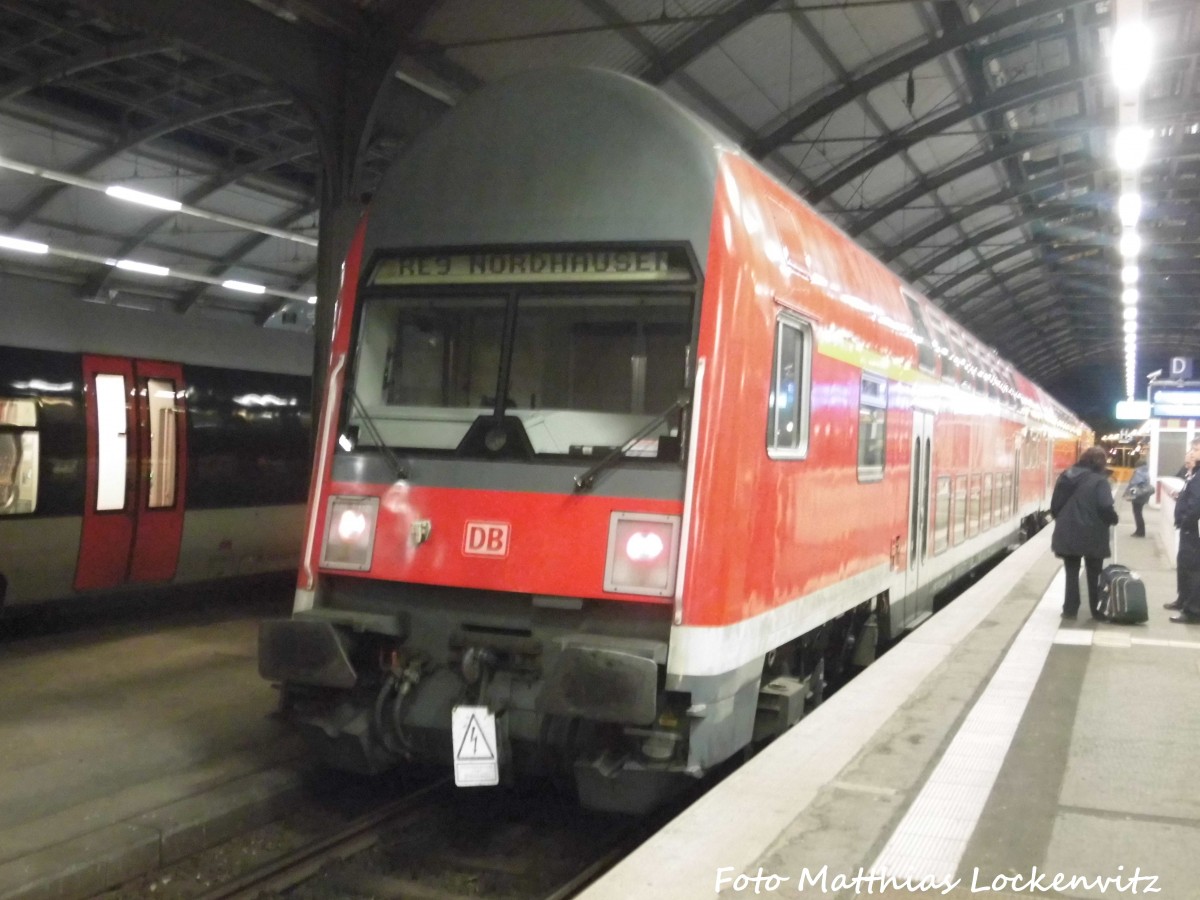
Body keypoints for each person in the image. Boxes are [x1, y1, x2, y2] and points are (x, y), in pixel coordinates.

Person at [1051, 446, 1119, 620]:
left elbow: (1055, 506)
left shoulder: (1066, 476)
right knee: (1094, 572)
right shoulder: (1100, 481)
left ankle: (1070, 609)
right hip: (1093, 533)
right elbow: (1105, 506)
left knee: (1071, 572)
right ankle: (1095, 610)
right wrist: (1113, 518)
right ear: (1101, 463)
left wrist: (1065, 520)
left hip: (1067, 531)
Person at [1168, 449, 1200, 623]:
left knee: (1193, 569)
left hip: (1193, 531)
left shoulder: (1197, 477)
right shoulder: (1193, 475)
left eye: (1196, 450)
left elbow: (1196, 505)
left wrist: (1186, 522)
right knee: (1185, 566)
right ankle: (1184, 601)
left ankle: (1192, 610)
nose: (1191, 456)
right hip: (1191, 529)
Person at [1125, 462, 1152, 537]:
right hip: (1143, 495)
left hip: (1138, 496)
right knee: (1139, 513)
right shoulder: (1145, 472)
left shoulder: (1138, 472)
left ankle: (1140, 531)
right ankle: (1140, 530)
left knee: (1137, 513)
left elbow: (1134, 484)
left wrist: (1130, 496)